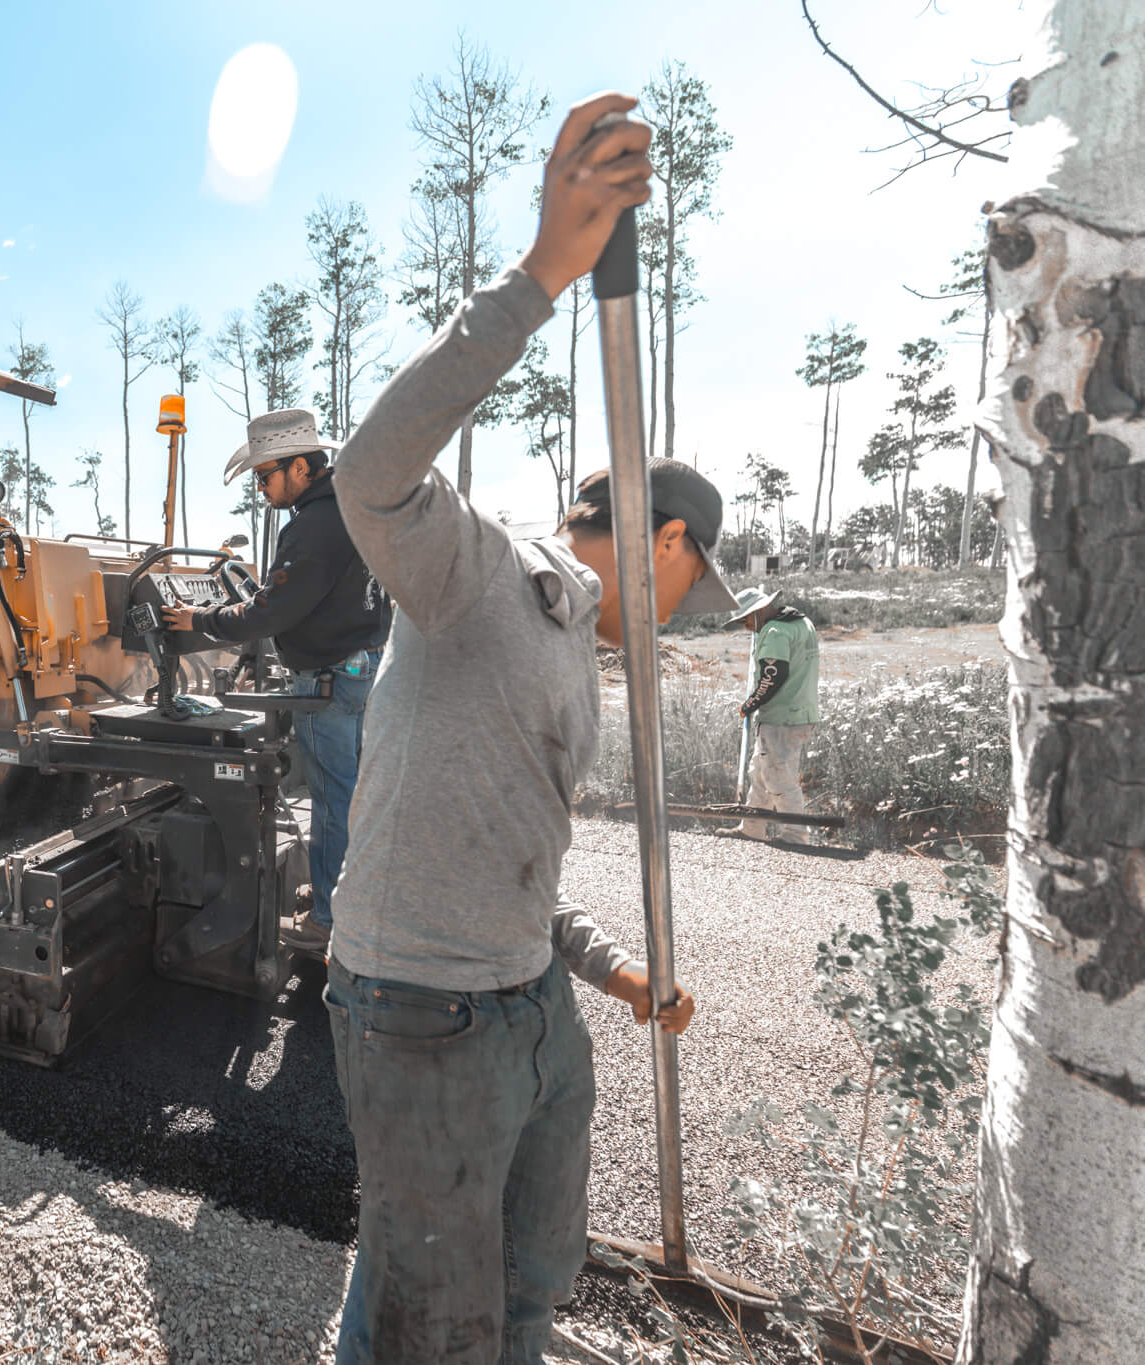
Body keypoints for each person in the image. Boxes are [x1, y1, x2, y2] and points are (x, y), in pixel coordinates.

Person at [321, 93, 731, 1365]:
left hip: (529, 1004)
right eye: (691, 585)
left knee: (530, 1278)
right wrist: (540, 275)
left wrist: (607, 971)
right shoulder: (487, 577)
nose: (682, 616)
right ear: (667, 542)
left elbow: (515, 858)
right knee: (426, 1326)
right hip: (420, 1009)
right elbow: (368, 474)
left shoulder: (581, 646)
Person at [158, 408, 390, 955]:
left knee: (334, 799)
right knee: (353, 793)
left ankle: (330, 921)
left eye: (265, 477)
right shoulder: (352, 509)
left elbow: (272, 611)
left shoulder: (313, 525)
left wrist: (199, 620)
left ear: (301, 469)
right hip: (360, 666)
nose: (262, 489)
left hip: (330, 677)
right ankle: (351, 900)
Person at [726, 586, 822, 841]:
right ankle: (752, 828)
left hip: (783, 716)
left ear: (758, 611)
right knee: (761, 770)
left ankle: (795, 833)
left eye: (746, 620)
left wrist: (751, 703)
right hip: (799, 711)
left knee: (778, 773)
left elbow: (772, 676)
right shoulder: (801, 623)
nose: (747, 627)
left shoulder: (775, 631)